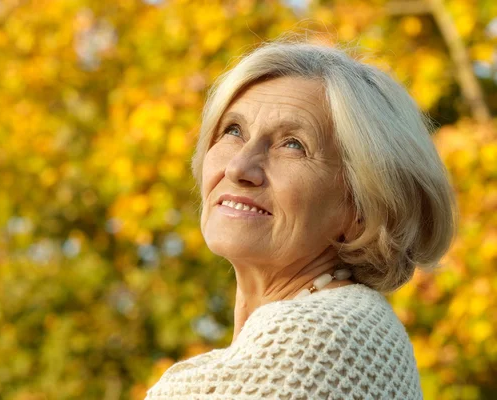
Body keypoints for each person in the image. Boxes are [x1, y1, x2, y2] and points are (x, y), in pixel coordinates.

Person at [145, 40, 456, 399]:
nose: (239, 167)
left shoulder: (325, 338)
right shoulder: (338, 325)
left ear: (363, 207)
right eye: (233, 130)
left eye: (292, 144)